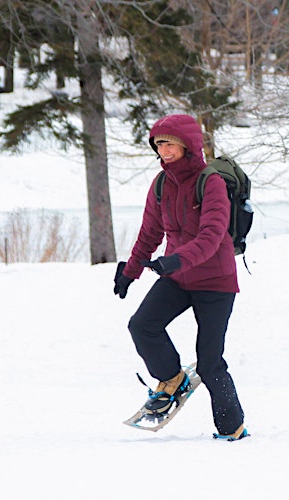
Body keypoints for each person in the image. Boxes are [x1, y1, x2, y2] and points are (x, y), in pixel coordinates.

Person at [113, 114, 248, 441]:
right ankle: (171, 379)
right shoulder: (161, 184)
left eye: (169, 143)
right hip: (178, 277)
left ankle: (233, 428)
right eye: (158, 144)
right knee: (142, 325)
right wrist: (130, 271)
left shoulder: (210, 182)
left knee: (210, 363)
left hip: (216, 282)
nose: (163, 150)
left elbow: (212, 235)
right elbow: (149, 233)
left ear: (187, 145)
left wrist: (174, 260)